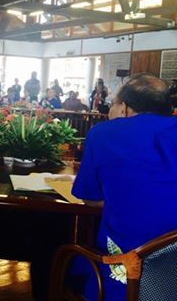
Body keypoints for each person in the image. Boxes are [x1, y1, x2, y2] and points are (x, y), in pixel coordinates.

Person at [70, 74, 177, 300]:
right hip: (171, 275)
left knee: (67, 260)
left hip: (127, 278)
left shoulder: (104, 134)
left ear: (125, 108)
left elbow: (89, 198)